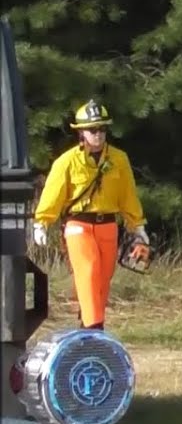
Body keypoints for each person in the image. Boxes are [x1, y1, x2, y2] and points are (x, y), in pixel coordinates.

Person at [32, 99, 150, 330]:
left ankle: (89, 326)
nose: (98, 134)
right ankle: (95, 329)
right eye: (93, 130)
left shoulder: (119, 159)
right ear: (81, 132)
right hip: (78, 225)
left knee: (102, 282)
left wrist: (138, 226)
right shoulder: (66, 162)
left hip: (108, 225)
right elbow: (53, 193)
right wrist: (42, 222)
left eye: (102, 129)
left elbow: (128, 196)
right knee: (88, 272)